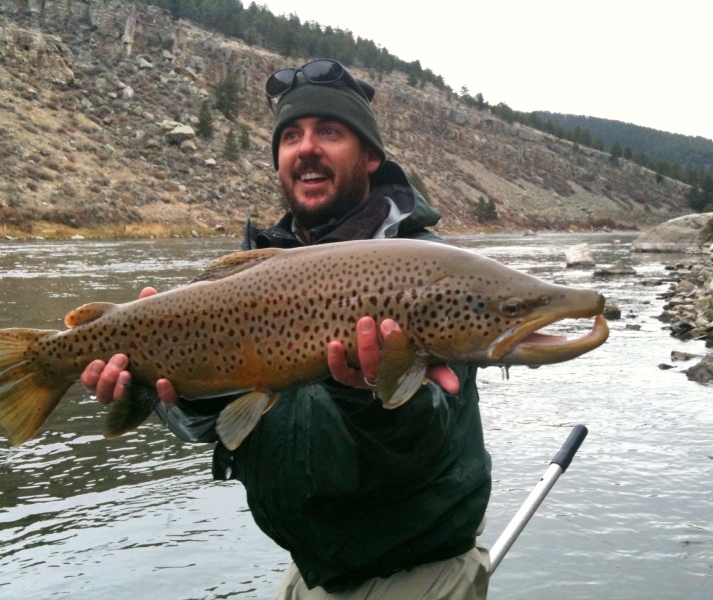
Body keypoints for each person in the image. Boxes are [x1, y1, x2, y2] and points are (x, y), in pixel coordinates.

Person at [81, 59, 492, 599]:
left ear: (371, 156)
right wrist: (166, 389)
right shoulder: (256, 271)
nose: (306, 148)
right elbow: (217, 428)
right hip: (312, 573)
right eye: (291, 136)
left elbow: (428, 447)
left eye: (330, 131)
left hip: (418, 574)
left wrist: (370, 394)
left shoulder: (425, 271)